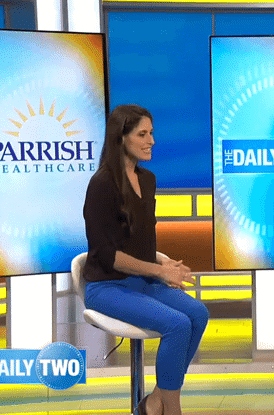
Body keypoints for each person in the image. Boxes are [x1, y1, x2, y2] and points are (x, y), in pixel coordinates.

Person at [82, 104, 209, 415]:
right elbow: (107, 255)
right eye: (142, 134)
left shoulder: (148, 179)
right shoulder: (101, 185)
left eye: (151, 133)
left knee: (198, 313)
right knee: (177, 324)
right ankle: (172, 409)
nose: (151, 140)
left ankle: (153, 402)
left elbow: (138, 241)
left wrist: (164, 266)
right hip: (107, 287)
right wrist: (158, 271)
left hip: (142, 281)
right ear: (121, 137)